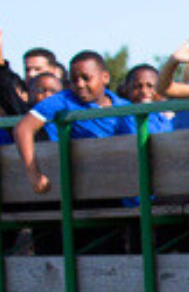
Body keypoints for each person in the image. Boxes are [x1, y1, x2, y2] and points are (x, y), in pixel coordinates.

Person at [13, 51, 135, 194]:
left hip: (125, 182)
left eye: (86, 78)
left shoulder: (125, 106)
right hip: (87, 185)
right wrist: (34, 175)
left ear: (105, 77)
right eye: (74, 80)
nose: (80, 84)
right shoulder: (63, 99)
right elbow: (23, 129)